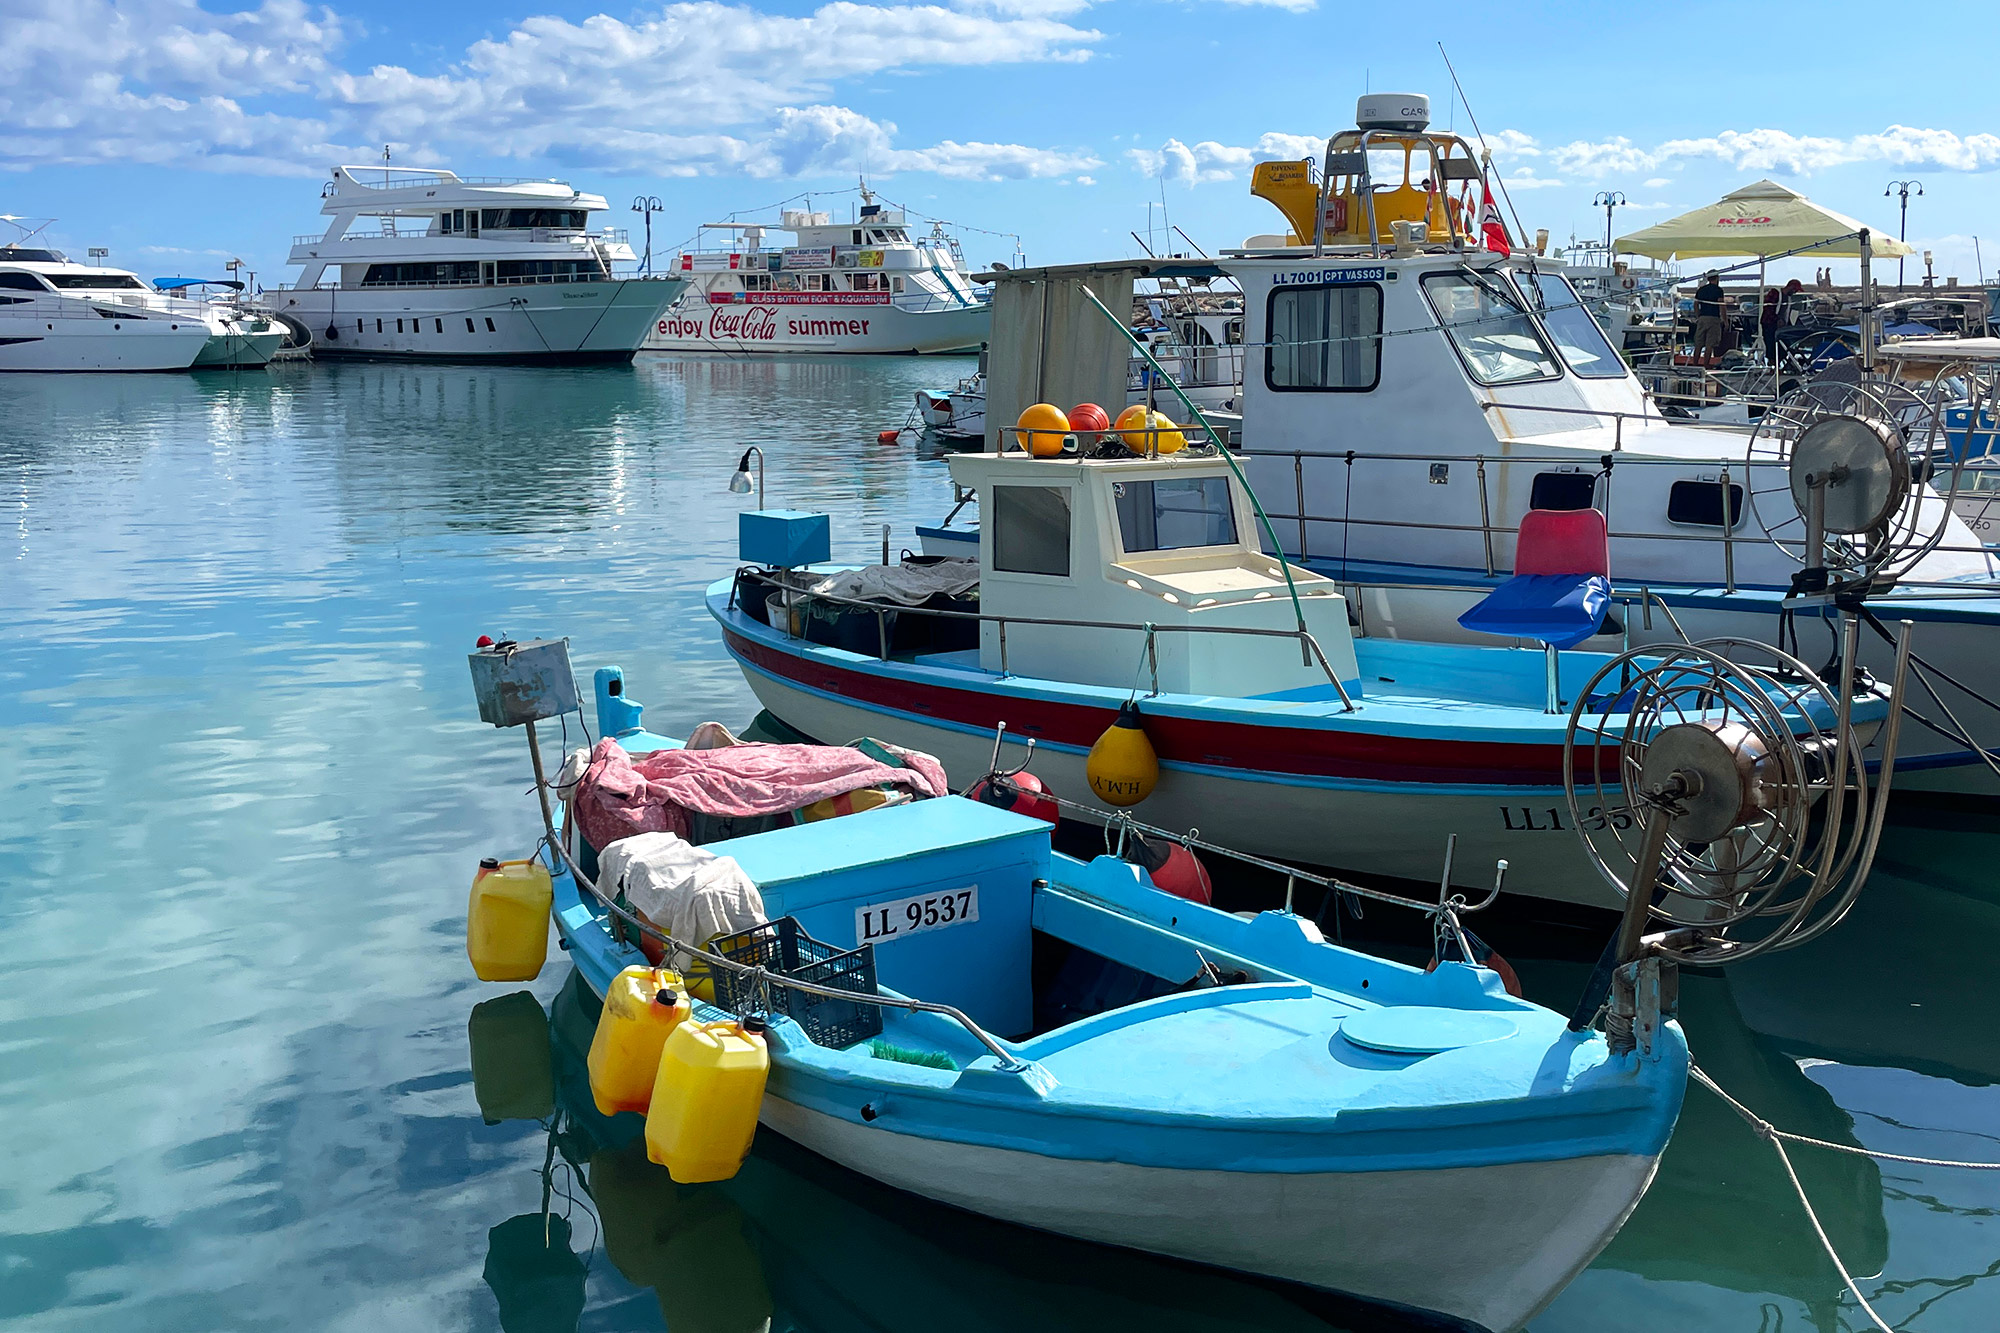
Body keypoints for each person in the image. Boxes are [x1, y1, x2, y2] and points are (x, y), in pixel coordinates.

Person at [1693, 271, 1727, 365]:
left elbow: (1695, 304)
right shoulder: (1718, 290)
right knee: (1709, 345)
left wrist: (1698, 316)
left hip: (1702, 318)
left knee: (1698, 344)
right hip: (1713, 319)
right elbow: (1721, 306)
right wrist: (1725, 320)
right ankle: (1705, 366)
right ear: (1717, 278)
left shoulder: (1701, 290)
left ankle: (1695, 365)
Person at [1761, 287, 1782, 367]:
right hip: (1769, 323)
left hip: (1778, 326)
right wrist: (1777, 319)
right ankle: (1772, 364)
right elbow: (1768, 309)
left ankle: (1776, 363)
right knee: (1770, 344)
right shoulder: (1775, 293)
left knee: (1778, 345)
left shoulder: (1788, 297)